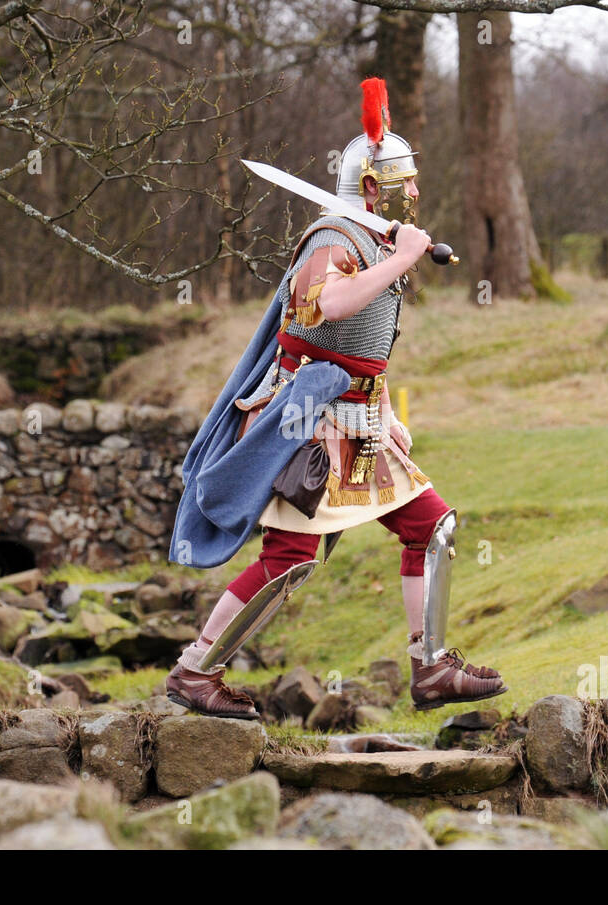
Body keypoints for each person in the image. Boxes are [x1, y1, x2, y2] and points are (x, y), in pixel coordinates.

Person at [165, 78, 507, 720]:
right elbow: (330, 308)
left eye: (414, 180)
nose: (413, 193)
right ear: (370, 187)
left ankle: (430, 666)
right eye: (401, 181)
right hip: (303, 419)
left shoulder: (377, 242)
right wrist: (402, 261)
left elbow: (362, 355)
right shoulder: (332, 239)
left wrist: (387, 416)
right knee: (290, 560)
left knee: (433, 527)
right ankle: (195, 671)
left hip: (360, 417)